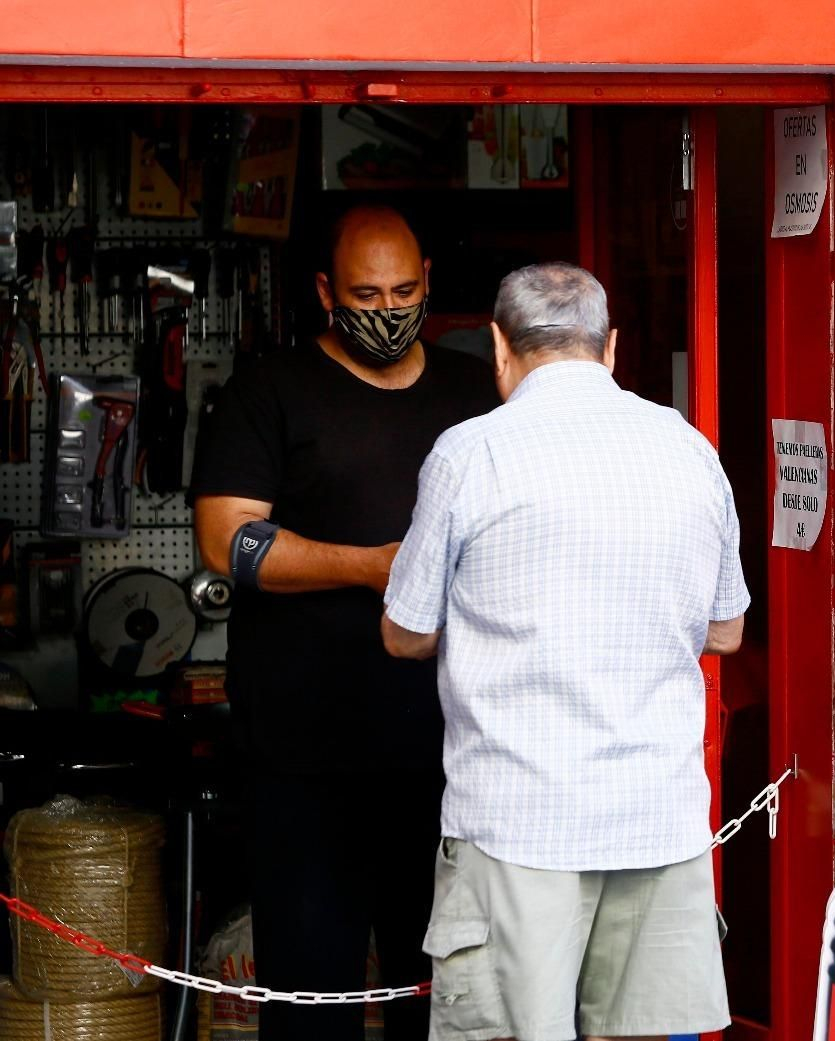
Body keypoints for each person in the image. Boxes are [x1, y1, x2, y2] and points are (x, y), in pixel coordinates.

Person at [381, 262, 748, 1041]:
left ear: (499, 349)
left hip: (520, 823)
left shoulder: (471, 452)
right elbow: (726, 630)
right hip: (658, 820)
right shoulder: (688, 449)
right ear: (610, 348)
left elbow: (405, 630)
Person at [190, 205, 500, 1041]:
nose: (389, 309)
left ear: (429, 279)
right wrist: (373, 566)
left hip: (455, 758)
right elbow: (227, 539)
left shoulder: (477, 393)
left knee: (443, 1000)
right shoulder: (270, 389)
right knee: (311, 1002)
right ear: (326, 290)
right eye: (366, 292)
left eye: (404, 289)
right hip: (303, 760)